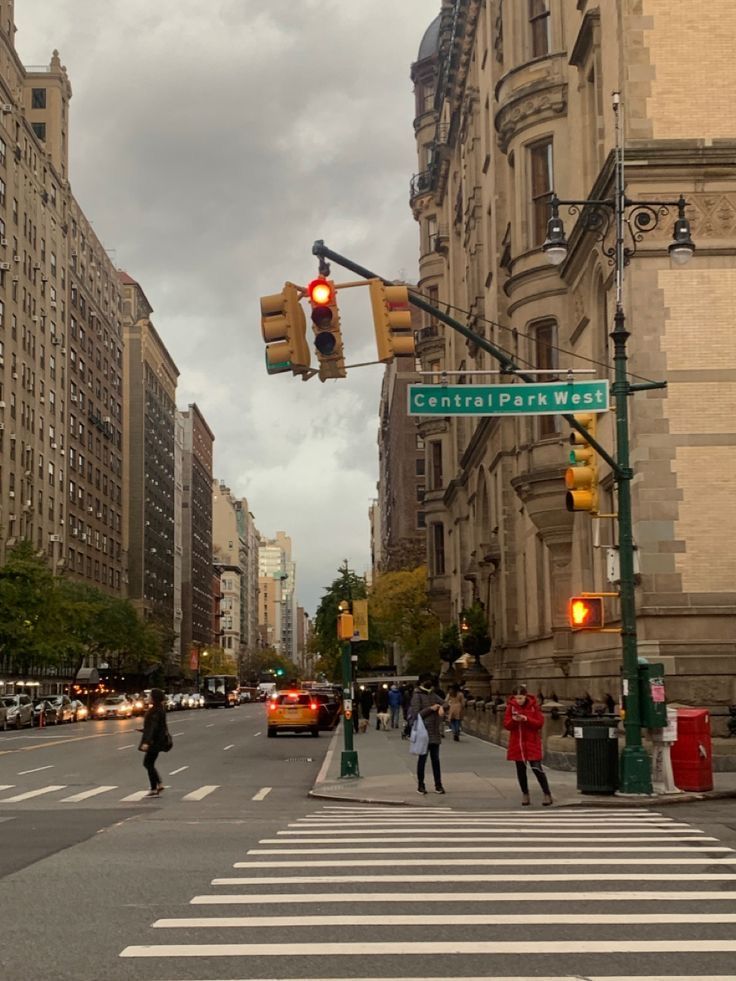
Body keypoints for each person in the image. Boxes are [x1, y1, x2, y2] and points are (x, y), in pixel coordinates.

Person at [503, 684, 552, 807]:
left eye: (521, 698)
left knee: (537, 768)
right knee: (521, 770)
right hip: (517, 742)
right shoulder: (511, 707)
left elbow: (539, 723)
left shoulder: (534, 707)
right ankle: (525, 793)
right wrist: (514, 720)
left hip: (531, 741)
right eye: (516, 698)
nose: (518, 701)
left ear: (525, 696)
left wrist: (526, 719)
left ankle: (547, 793)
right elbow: (507, 724)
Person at [409, 671, 446, 795]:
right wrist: (430, 709)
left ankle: (438, 784)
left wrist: (441, 707)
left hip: (434, 732)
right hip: (423, 732)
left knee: (436, 760)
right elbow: (416, 714)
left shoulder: (433, 694)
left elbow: (445, 703)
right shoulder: (417, 695)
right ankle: (421, 784)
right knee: (422, 759)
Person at [137, 688, 171, 798]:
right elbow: (153, 727)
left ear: (155, 698)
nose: (149, 698)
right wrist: (143, 729)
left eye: (150, 696)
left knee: (147, 763)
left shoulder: (155, 711)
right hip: (157, 740)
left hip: (154, 742)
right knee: (149, 763)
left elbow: (153, 727)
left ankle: (154, 788)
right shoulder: (159, 709)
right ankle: (158, 785)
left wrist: (147, 741)